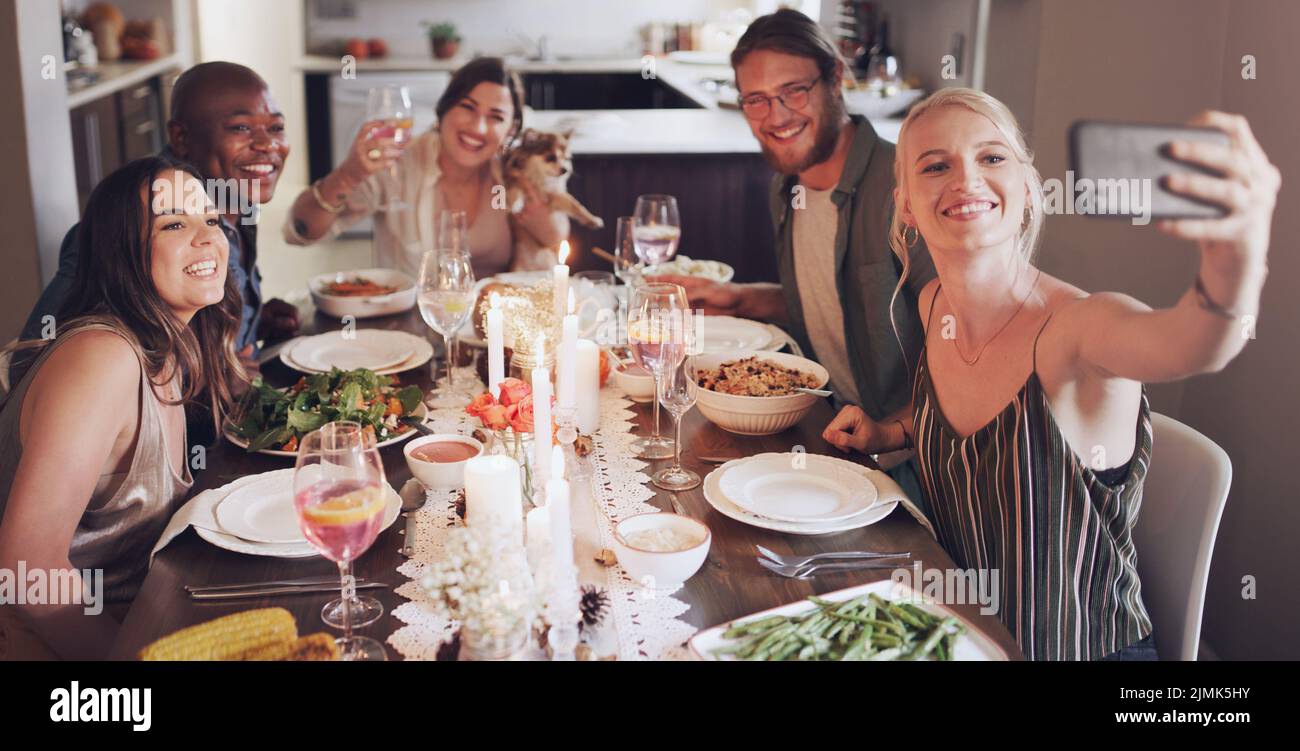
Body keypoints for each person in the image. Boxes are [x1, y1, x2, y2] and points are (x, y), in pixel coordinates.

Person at [821, 88, 1278, 660]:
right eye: (936, 166)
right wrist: (890, 433)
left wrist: (1237, 256)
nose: (966, 178)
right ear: (906, 205)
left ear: (1030, 188)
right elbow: (961, 421)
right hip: (962, 634)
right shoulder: (932, 303)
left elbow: (1198, 342)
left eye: (991, 157)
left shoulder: (1082, 330)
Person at [654, 8, 934, 501]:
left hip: (912, 470)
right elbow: (833, 305)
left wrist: (896, 432)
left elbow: (971, 348)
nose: (776, 116)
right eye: (756, 100)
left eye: (793, 92)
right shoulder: (787, 187)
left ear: (835, 81)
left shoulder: (904, 189)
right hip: (826, 436)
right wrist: (739, 299)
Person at [0, 156, 245, 659]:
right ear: (122, 251)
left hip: (145, 616)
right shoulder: (103, 357)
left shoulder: (170, 346)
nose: (207, 238)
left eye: (211, 220)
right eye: (175, 223)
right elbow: (25, 569)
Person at [21, 61, 300, 364]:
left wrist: (250, 320)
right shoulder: (125, 219)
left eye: (276, 127)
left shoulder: (235, 194)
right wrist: (211, 382)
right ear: (181, 138)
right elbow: (35, 360)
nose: (267, 144)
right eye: (241, 127)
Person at [285, 56, 569, 279]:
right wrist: (348, 174)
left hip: (493, 334)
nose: (477, 127)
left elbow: (556, 239)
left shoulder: (513, 173)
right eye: (467, 107)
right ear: (443, 111)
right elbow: (300, 232)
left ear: (510, 131)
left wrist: (544, 220)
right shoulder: (399, 164)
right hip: (409, 332)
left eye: (495, 117)